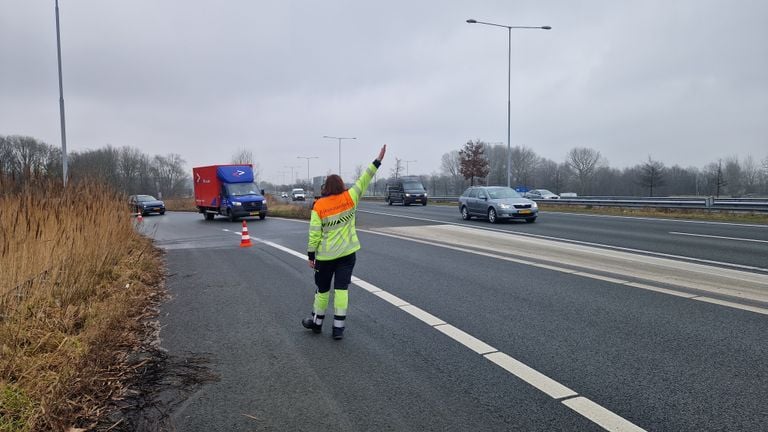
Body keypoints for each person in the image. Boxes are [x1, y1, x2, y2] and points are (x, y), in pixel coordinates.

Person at [302, 144, 387, 340]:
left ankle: (316, 323)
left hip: (325, 257)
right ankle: (338, 328)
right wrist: (378, 160)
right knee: (342, 290)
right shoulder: (351, 197)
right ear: (341, 185)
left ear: (326, 187)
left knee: (322, 290)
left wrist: (311, 255)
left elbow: (314, 233)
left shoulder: (319, 205)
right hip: (348, 255)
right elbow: (366, 177)